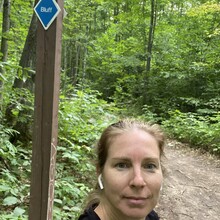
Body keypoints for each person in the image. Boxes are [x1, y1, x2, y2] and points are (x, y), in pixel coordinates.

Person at [78, 118, 166, 220]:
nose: (138, 181)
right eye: (122, 165)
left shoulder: (151, 216)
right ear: (100, 172)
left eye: (149, 166)